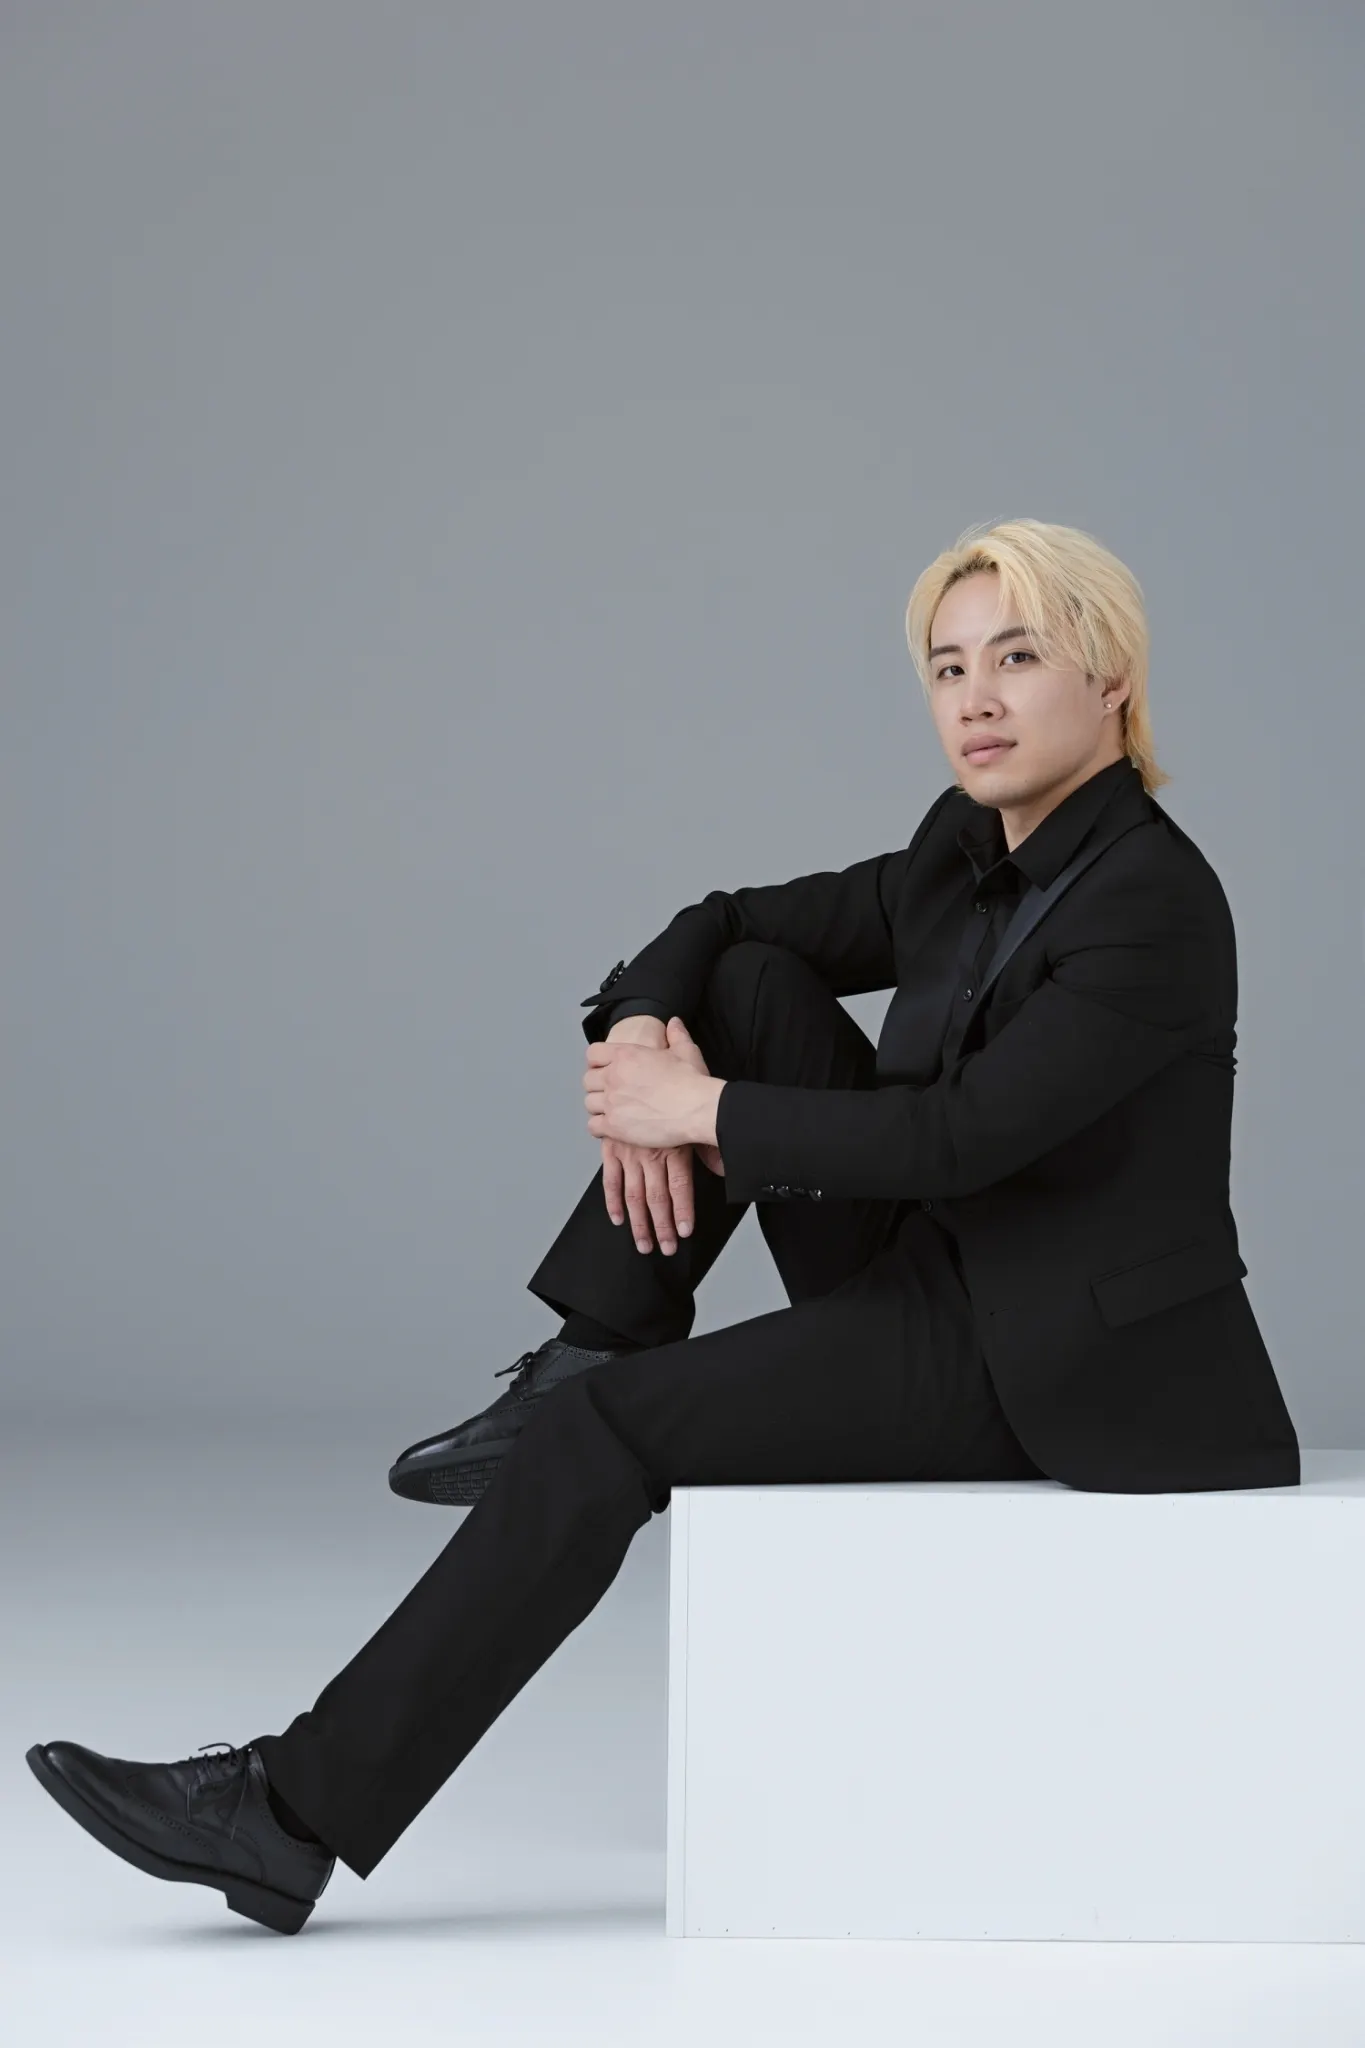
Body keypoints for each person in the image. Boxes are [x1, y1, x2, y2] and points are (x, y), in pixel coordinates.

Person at [26, 517, 1300, 1935]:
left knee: (605, 1436)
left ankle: (286, 1817)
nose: (976, 699)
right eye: (948, 669)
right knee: (744, 983)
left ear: (1111, 675)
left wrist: (695, 1110)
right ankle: (596, 1340)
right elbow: (729, 918)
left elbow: (961, 1137)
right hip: (932, 1263)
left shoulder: (1154, 900)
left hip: (1046, 1353)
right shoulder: (961, 849)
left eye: (1018, 658)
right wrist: (641, 1026)